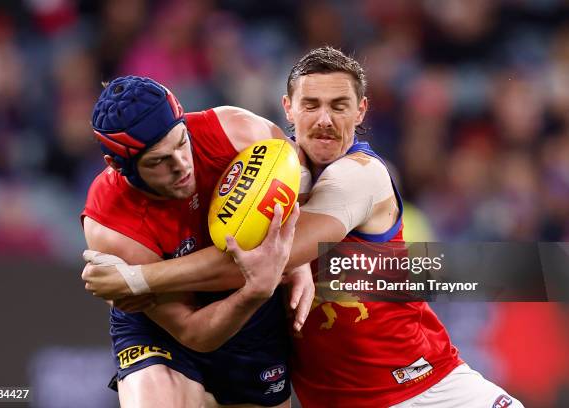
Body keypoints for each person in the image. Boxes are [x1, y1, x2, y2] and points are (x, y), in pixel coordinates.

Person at [83, 48, 523, 407]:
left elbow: (258, 260)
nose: (325, 120)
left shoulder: (361, 175)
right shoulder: (260, 165)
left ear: (361, 111)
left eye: (339, 106)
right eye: (311, 105)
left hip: (425, 388)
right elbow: (250, 272)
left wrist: (140, 278)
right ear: (288, 110)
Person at [81, 75, 311, 408]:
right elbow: (193, 331)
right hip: (167, 329)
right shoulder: (110, 223)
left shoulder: (238, 133)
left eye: (181, 141)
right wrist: (255, 288)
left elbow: (299, 184)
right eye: (158, 161)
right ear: (117, 166)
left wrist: (296, 254)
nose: (181, 165)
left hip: (252, 321)